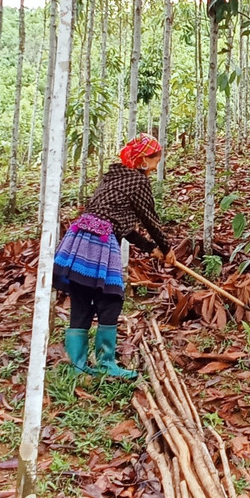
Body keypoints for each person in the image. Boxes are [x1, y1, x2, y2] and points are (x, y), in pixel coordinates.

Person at [54, 134, 171, 378]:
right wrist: (167, 249)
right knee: (111, 298)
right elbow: (150, 218)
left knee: (82, 298)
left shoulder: (114, 177)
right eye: (156, 160)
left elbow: (124, 227)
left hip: (78, 238)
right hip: (100, 242)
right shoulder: (138, 181)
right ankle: (106, 364)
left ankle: (78, 367)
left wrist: (151, 249)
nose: (156, 165)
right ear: (143, 160)